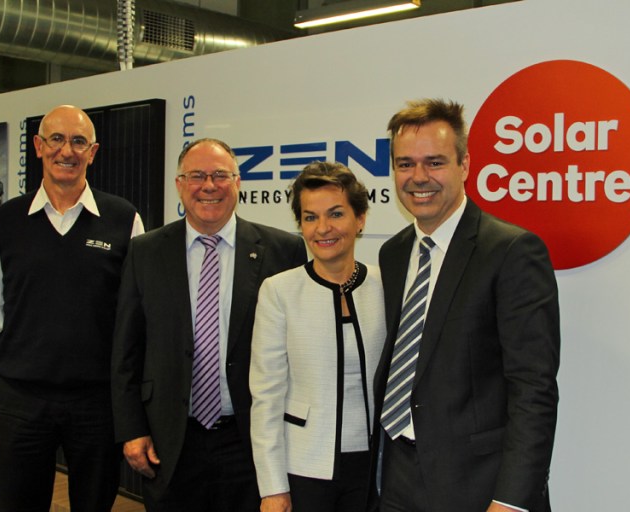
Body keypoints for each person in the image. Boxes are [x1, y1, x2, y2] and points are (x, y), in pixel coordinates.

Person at [371, 99, 561, 512]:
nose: (418, 177)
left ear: (465, 165)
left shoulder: (511, 251)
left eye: (434, 162)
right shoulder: (393, 253)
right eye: (405, 164)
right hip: (397, 476)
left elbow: (534, 390)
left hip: (477, 487)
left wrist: (510, 501)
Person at [0, 104, 145, 512]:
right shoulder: (6, 221)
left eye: (78, 141)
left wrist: (133, 411)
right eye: (57, 139)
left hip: (98, 405)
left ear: (93, 152)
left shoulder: (124, 219)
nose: (67, 150)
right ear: (39, 146)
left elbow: (136, 323)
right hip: (20, 402)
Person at [111, 138, 307, 512]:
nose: (209, 186)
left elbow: (297, 353)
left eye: (220, 175)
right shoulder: (145, 251)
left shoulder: (283, 251)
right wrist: (132, 429)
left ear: (238, 182)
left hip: (248, 441)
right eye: (197, 176)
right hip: (170, 440)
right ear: (179, 184)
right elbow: (126, 349)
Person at [249, 162, 385, 512]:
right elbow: (266, 397)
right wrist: (272, 487)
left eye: (336, 214)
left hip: (375, 468)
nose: (323, 228)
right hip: (304, 467)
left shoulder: (386, 285)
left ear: (360, 218)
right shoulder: (279, 291)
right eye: (310, 217)